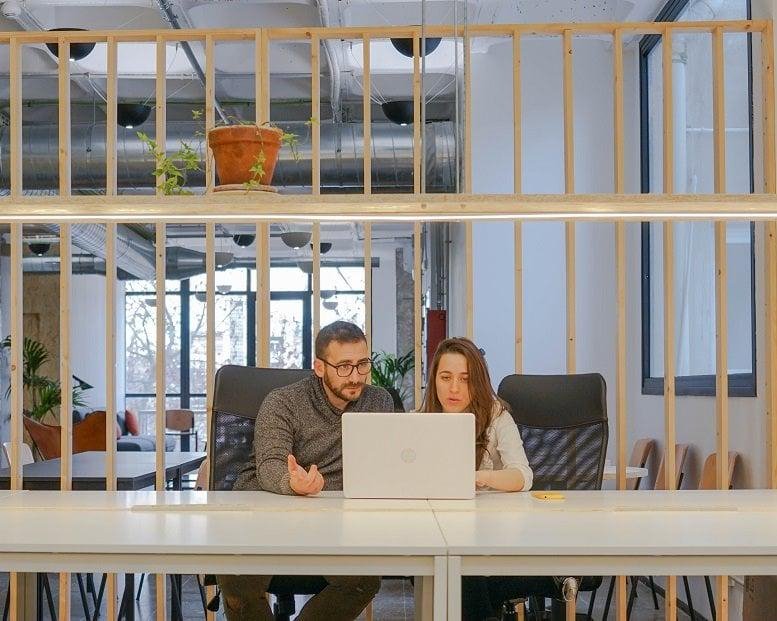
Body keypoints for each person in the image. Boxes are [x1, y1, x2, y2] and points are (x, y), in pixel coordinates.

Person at [217, 321, 394, 621]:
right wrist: (292, 482)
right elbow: (269, 464)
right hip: (268, 511)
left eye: (362, 364)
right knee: (236, 577)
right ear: (320, 367)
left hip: (336, 519)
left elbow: (382, 464)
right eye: (344, 367)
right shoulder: (284, 401)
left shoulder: (379, 401)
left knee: (364, 580)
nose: (355, 377)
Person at [420, 337, 533, 620]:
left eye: (465, 379)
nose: (454, 388)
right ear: (434, 379)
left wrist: (477, 477)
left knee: (463, 572)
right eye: (445, 377)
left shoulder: (496, 416)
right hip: (433, 535)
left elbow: (522, 475)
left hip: (489, 535)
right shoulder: (419, 420)